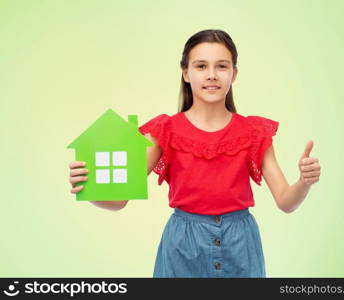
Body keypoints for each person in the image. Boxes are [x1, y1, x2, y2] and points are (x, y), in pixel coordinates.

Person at [68, 29, 321, 278]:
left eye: (221, 66)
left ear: (234, 74)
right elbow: (118, 201)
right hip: (182, 248)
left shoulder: (253, 132)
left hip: (240, 247)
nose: (211, 75)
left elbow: (286, 202)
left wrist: (304, 182)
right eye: (201, 66)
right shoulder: (164, 131)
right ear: (186, 73)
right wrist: (88, 189)